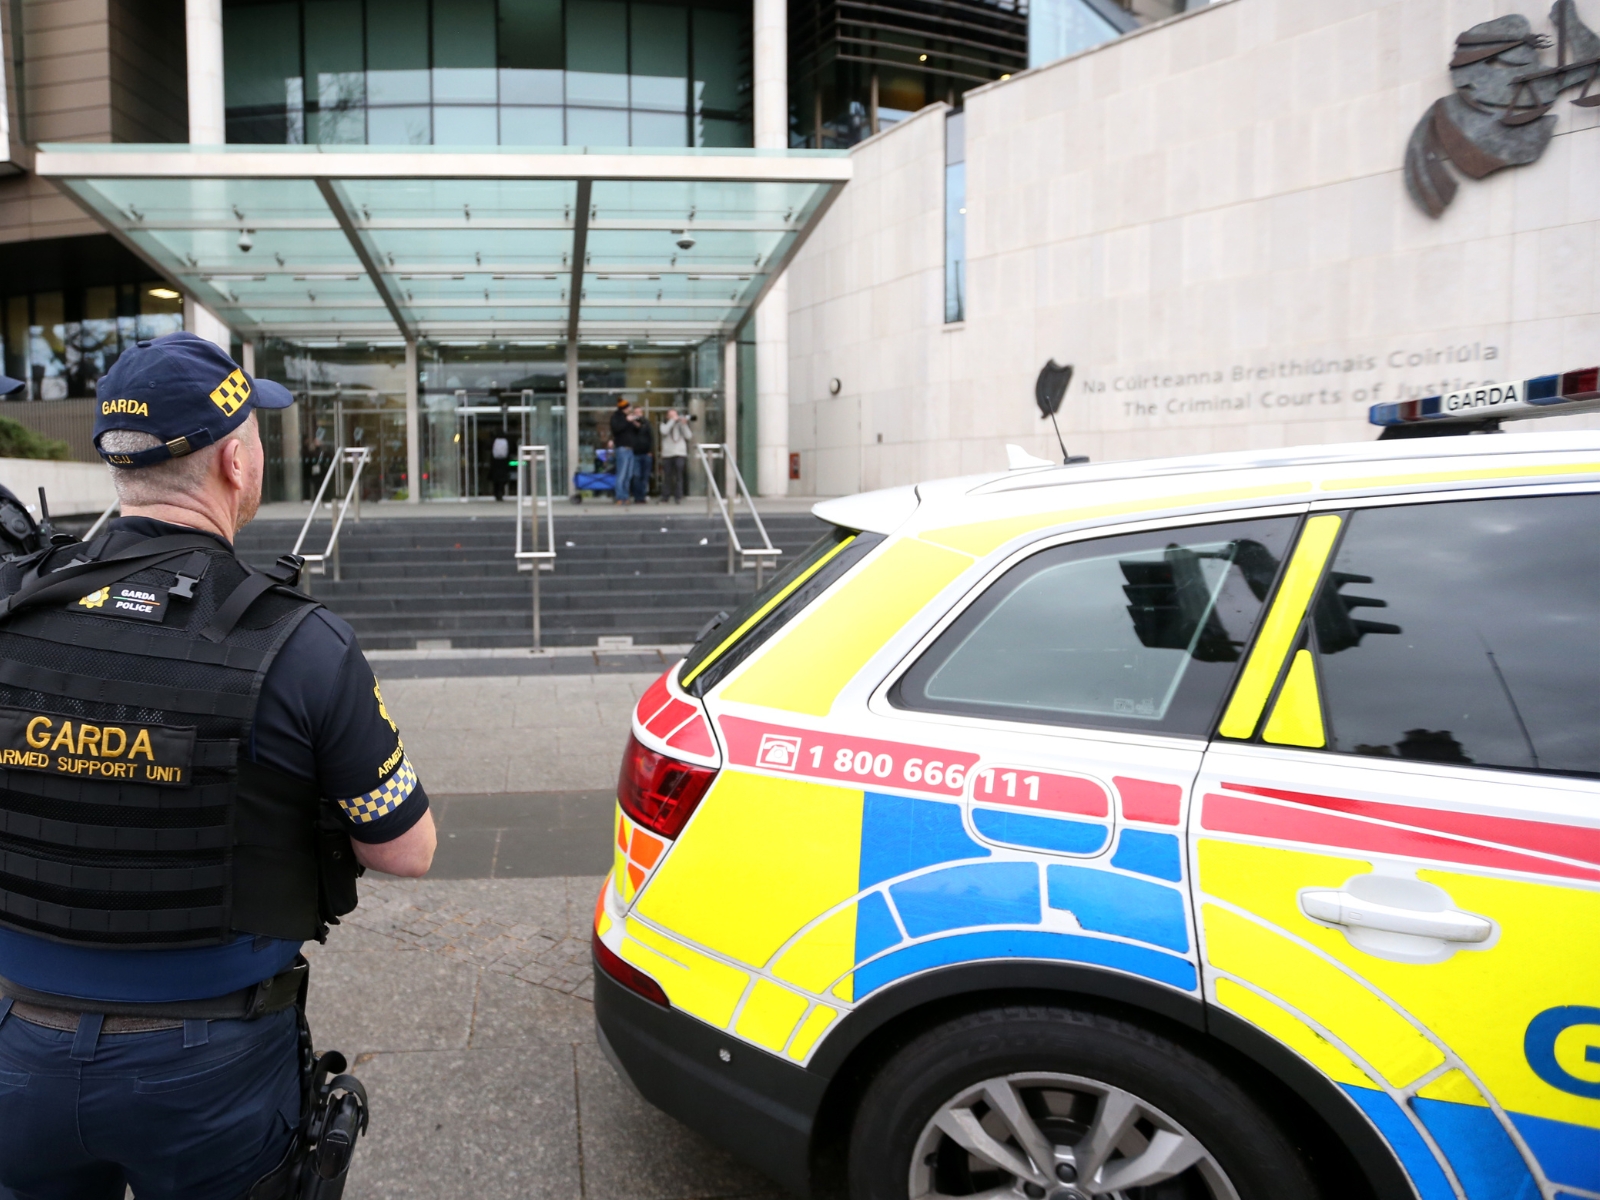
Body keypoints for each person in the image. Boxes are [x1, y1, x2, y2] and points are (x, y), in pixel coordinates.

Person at [0, 331, 437, 1200]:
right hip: (209, 1068)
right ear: (237, 460)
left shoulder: (14, 607)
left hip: (18, 1045)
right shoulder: (302, 642)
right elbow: (407, 848)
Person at [659, 408, 691, 503]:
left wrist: (684, 425)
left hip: (680, 453)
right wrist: (672, 421)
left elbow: (689, 436)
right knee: (667, 476)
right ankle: (665, 496)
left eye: (675, 415)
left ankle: (678, 497)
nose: (674, 417)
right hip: (667, 454)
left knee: (679, 476)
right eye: (671, 415)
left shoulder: (680, 425)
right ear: (667, 416)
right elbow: (664, 431)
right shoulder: (664, 424)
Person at [609, 398, 634, 505]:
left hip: (630, 449)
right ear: (624, 408)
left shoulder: (628, 418)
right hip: (622, 448)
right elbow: (616, 429)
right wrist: (627, 421)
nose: (630, 409)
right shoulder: (616, 418)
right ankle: (620, 496)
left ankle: (626, 496)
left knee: (628, 475)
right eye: (628, 407)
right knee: (622, 474)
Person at [628, 406, 654, 504]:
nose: (638, 414)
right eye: (636, 412)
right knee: (636, 476)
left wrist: (651, 451)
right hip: (635, 454)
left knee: (645, 476)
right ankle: (637, 496)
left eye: (639, 412)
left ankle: (642, 495)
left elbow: (651, 437)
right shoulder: (630, 424)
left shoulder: (646, 423)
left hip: (646, 453)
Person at [489, 429, 512, 501]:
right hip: (504, 463)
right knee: (502, 479)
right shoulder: (507, 441)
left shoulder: (493, 441)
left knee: (496, 480)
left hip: (495, 463)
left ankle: (496, 493)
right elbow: (511, 449)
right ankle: (501, 493)